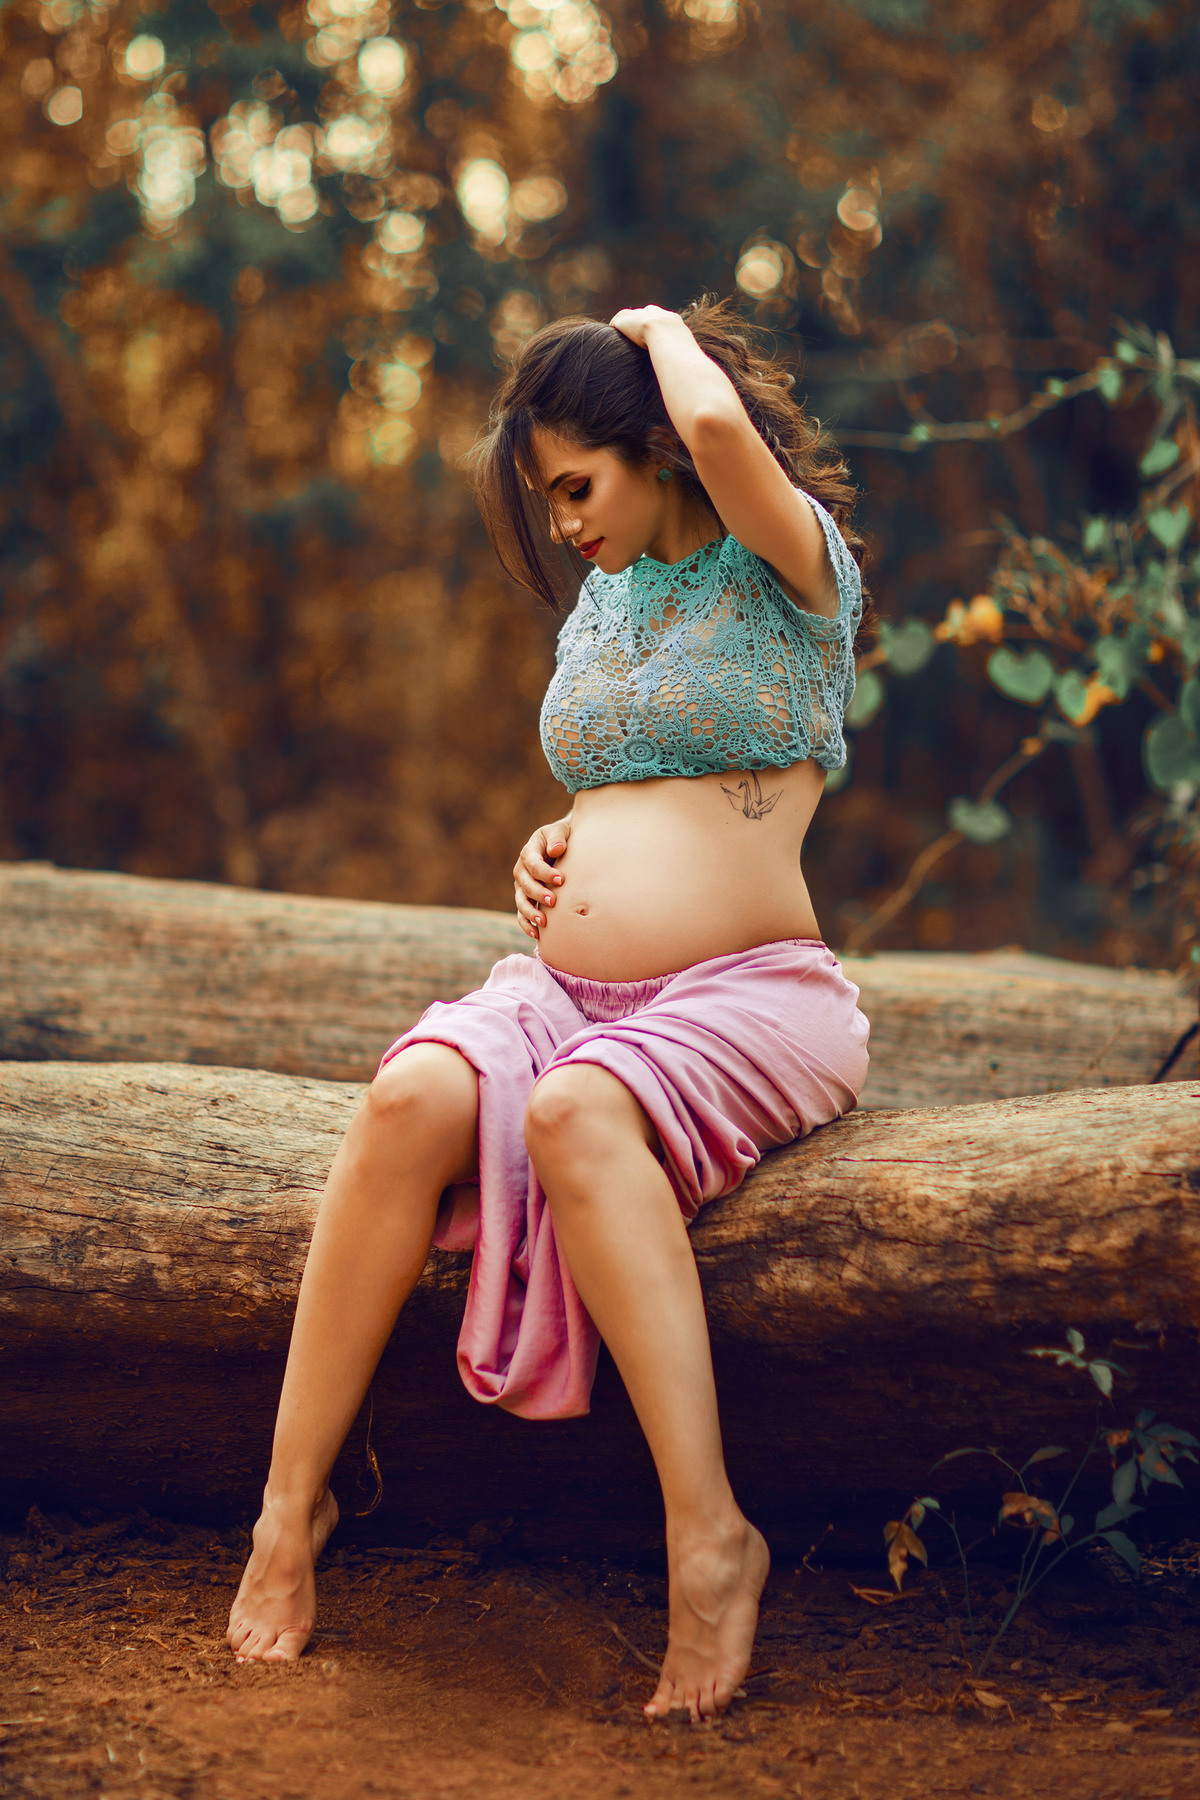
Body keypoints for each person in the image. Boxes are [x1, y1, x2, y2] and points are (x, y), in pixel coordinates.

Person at [227, 297, 872, 1723]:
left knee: (580, 1114)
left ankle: (709, 1541)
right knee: (403, 1101)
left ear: (654, 448)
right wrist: (554, 839)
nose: (566, 522)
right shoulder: (610, 594)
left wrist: (652, 329)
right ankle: (287, 1511)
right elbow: (628, 772)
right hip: (569, 986)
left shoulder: (795, 563)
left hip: (751, 993)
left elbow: (715, 423)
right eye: (547, 497)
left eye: (579, 485)